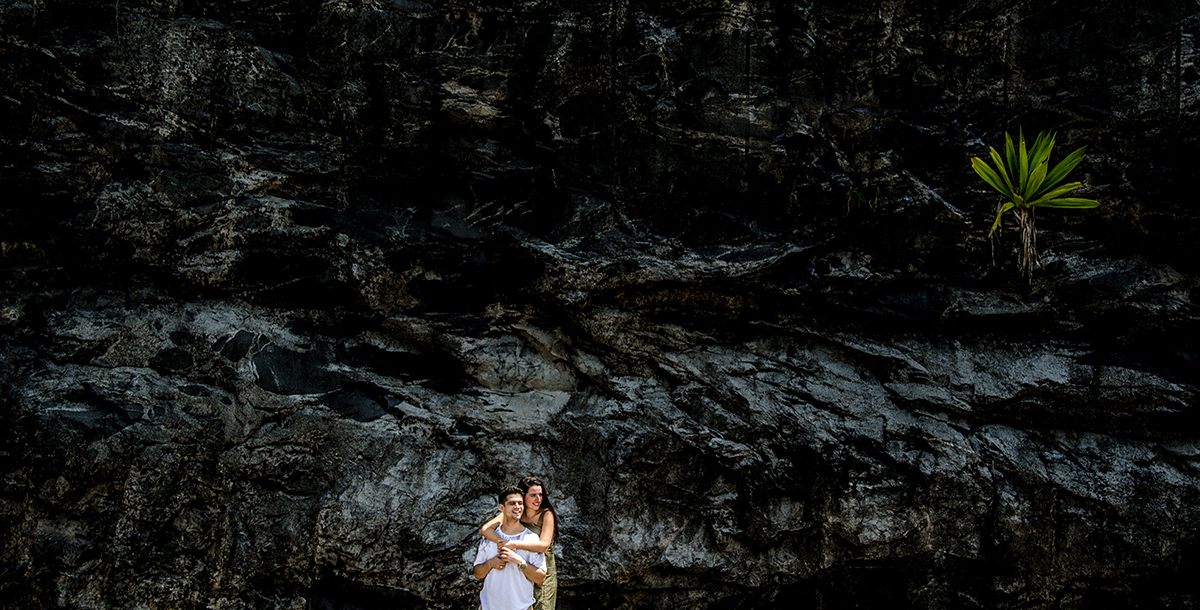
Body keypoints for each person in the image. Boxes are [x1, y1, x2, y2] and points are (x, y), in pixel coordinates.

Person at [480, 476, 558, 610]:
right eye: (533, 495)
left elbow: (544, 545)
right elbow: (486, 529)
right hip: (520, 571)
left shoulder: (546, 514)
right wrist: (502, 542)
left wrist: (514, 544)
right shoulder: (516, 512)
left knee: (543, 605)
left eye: (540, 495)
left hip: (542, 569)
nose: (538, 499)